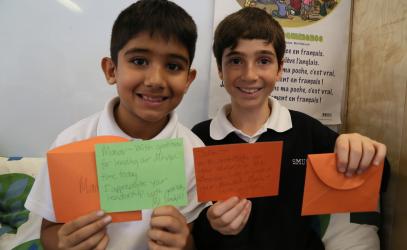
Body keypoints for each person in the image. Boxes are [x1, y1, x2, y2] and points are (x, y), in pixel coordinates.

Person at [191, 7, 388, 250]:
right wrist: (211, 224)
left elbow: (378, 178)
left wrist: (358, 145)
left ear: (280, 69)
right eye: (235, 61)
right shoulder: (198, 138)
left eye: (263, 61)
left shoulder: (305, 130)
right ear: (220, 69)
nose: (250, 75)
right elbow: (190, 227)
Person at [25, 0, 209, 249]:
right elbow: (48, 231)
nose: (155, 80)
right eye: (139, 61)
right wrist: (63, 242)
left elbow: (188, 236)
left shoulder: (194, 152)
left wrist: (182, 243)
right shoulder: (71, 143)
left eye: (173, 66)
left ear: (188, 79)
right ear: (111, 70)